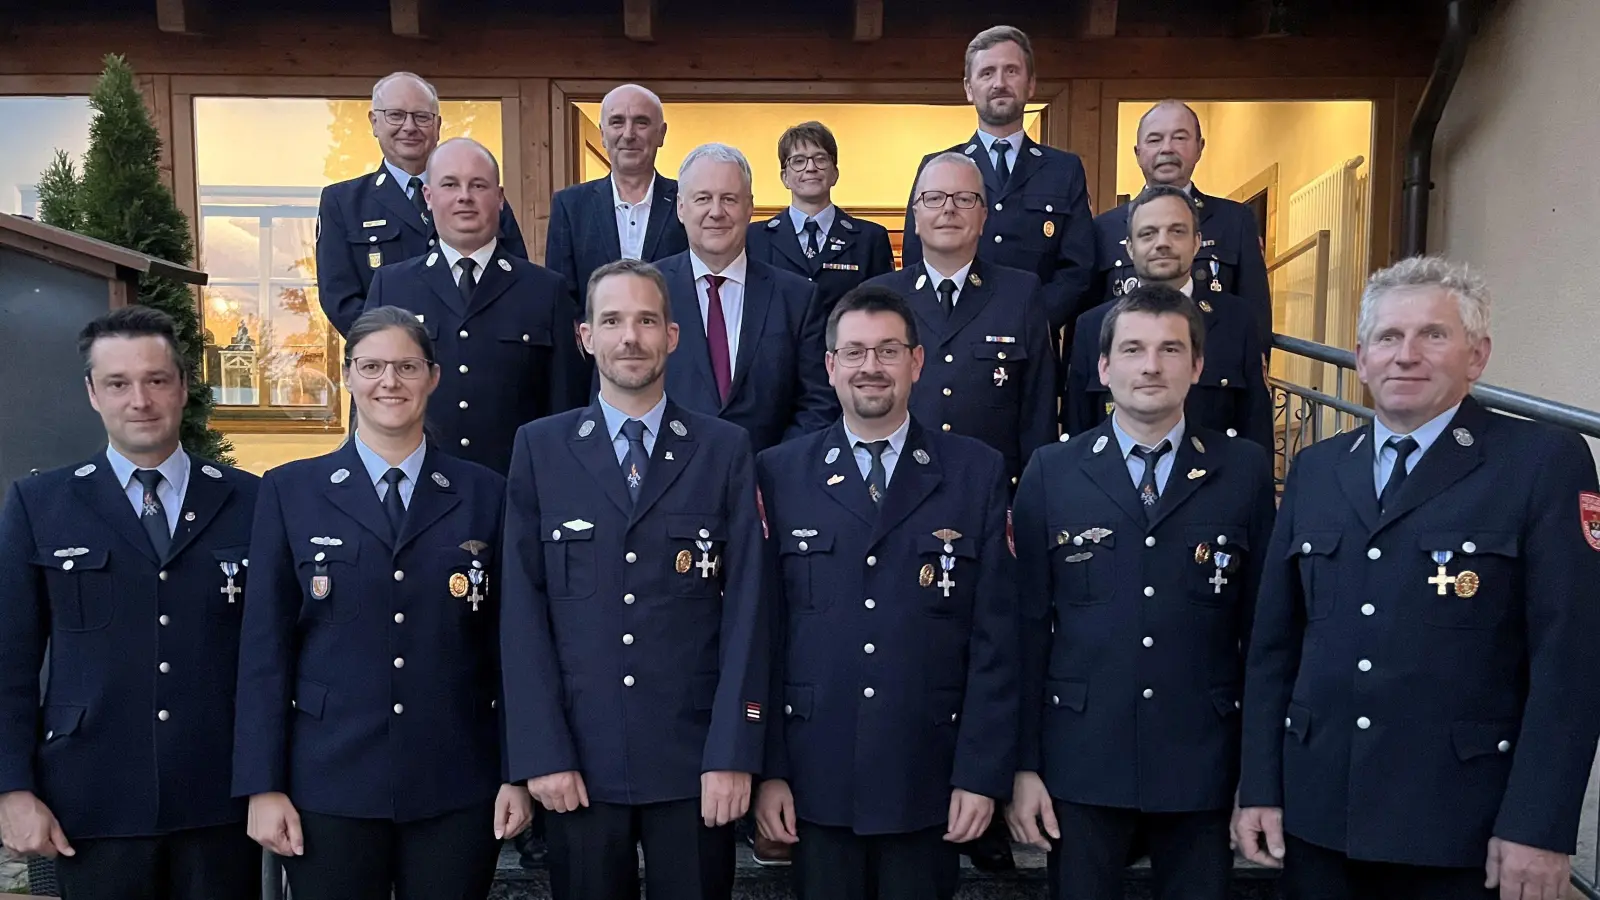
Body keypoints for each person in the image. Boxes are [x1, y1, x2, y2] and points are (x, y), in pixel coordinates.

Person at [1234, 257, 1600, 900]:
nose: (1406, 355)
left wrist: (1539, 826)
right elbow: (1274, 651)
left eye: (1433, 335)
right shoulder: (1316, 470)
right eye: (1387, 337)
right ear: (1360, 358)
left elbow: (1572, 663)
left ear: (1477, 355)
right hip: (1319, 821)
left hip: (1459, 828)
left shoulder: (1541, 463)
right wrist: (1261, 788)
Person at [233, 306, 530, 900]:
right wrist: (262, 786)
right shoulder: (291, 491)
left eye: (405, 366)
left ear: (433, 377)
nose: (388, 382)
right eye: (371, 366)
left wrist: (516, 773)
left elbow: (513, 647)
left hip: (455, 777)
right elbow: (265, 649)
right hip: (329, 779)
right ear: (347, 376)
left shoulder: (486, 492)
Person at [499, 258, 768, 900]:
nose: (630, 338)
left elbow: (750, 611)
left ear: (673, 337)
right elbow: (521, 614)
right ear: (585, 337)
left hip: (694, 763)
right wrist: (542, 753)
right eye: (612, 320)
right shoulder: (540, 448)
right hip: (580, 763)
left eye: (647, 320)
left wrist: (734, 752)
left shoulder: (723, 448)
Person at [1008, 284, 1275, 900]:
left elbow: (1265, 635)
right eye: (1132, 349)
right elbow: (1022, 631)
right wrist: (1023, 767)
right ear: (1103, 369)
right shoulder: (1052, 471)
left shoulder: (1244, 471)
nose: (1151, 366)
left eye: (1170, 349)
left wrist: (1258, 776)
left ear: (1198, 365)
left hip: (1202, 759)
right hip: (1081, 759)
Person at [753, 285, 1019, 900]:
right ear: (830, 367)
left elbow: (997, 641)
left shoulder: (974, 471)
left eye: (888, 351)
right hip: (816, 776)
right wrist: (769, 771)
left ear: (917, 362)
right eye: (854, 353)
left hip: (927, 773)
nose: (870, 367)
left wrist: (981, 775)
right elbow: (763, 636)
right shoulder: (780, 471)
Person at [0, 306, 261, 900]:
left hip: (218, 798)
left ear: (184, 387)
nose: (139, 399)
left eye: (156, 380)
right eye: (118, 383)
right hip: (91, 799)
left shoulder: (251, 500)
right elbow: (9, 661)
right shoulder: (40, 504)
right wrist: (12, 790)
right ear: (93, 393)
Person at [365, 137, 581, 474]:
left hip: (513, 490)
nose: (464, 196)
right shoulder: (392, 286)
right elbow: (368, 400)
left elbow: (566, 409)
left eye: (478, 185)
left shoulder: (545, 290)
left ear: (499, 198)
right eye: (450, 184)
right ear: (428, 196)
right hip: (418, 490)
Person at [866, 151, 1056, 491]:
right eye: (934, 198)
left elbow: (1038, 412)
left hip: (991, 493)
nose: (948, 209)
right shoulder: (878, 297)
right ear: (916, 216)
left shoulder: (1021, 294)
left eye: (965, 199)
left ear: (983, 216)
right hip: (898, 489)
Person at [902, 25, 1095, 353]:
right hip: (950, 343)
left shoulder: (1064, 170)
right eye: (987, 72)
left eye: (1011, 71)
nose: (999, 83)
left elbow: (1078, 269)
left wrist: (1028, 320)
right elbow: (914, 260)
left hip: (1034, 345)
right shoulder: (938, 168)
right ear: (969, 88)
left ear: (1031, 84)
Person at [316, 71, 528, 338]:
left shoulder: (478, 194)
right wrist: (398, 348)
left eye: (421, 117)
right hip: (395, 367)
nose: (409, 127)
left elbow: (514, 274)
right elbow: (340, 299)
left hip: (480, 357)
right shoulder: (343, 202)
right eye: (396, 115)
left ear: (437, 126)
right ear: (374, 122)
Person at [655, 143, 835, 452]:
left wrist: (776, 473)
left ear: (749, 207)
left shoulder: (797, 298)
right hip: (669, 485)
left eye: (729, 199)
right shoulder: (647, 291)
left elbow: (817, 404)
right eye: (703, 199)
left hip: (771, 486)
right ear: (681, 209)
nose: (716, 212)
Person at [1067, 185, 1271, 452]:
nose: (1162, 243)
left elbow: (1256, 426)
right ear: (1129, 248)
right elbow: (1079, 432)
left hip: (1214, 486)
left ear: (1197, 242)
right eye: (1148, 233)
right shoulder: (1091, 326)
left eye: (1177, 231)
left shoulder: (1237, 320)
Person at [1091, 100, 1272, 347]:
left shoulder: (1235, 221)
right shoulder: (1104, 228)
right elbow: (1088, 325)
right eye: (1154, 140)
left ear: (1200, 148)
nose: (1167, 149)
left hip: (1213, 373)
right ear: (1138, 153)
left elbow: (1256, 317)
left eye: (1179, 138)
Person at [546, 83, 689, 309]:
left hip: (674, 342)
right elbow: (561, 297)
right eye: (617, 122)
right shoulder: (570, 206)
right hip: (594, 344)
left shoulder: (688, 200)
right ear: (603, 134)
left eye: (641, 122)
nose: (628, 134)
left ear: (661, 134)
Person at [746, 121, 895, 317]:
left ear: (835, 173)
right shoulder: (754, 238)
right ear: (784, 177)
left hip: (845, 347)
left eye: (820, 159)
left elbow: (883, 311)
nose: (810, 168)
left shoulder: (870, 238)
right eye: (798, 161)